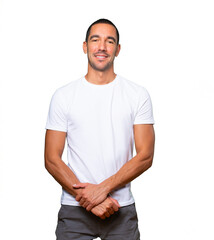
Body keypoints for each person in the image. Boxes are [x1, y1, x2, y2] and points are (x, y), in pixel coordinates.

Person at [45, 18, 155, 240]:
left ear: (118, 49)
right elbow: (51, 159)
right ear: (85, 46)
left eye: (109, 41)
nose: (102, 47)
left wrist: (102, 189)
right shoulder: (64, 96)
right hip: (75, 209)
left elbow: (145, 156)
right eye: (95, 40)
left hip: (120, 208)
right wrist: (90, 199)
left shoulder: (137, 95)